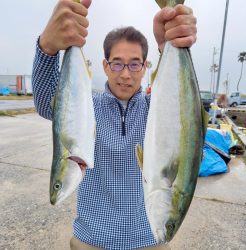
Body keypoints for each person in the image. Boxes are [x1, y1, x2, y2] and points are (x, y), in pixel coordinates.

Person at [32, 0, 197, 249]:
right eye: (117, 63)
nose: (125, 74)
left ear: (145, 68)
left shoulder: (157, 110)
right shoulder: (88, 106)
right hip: (91, 240)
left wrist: (171, 46)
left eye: (134, 64)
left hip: (149, 238)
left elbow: (186, 121)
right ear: (105, 66)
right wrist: (47, 47)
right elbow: (46, 104)